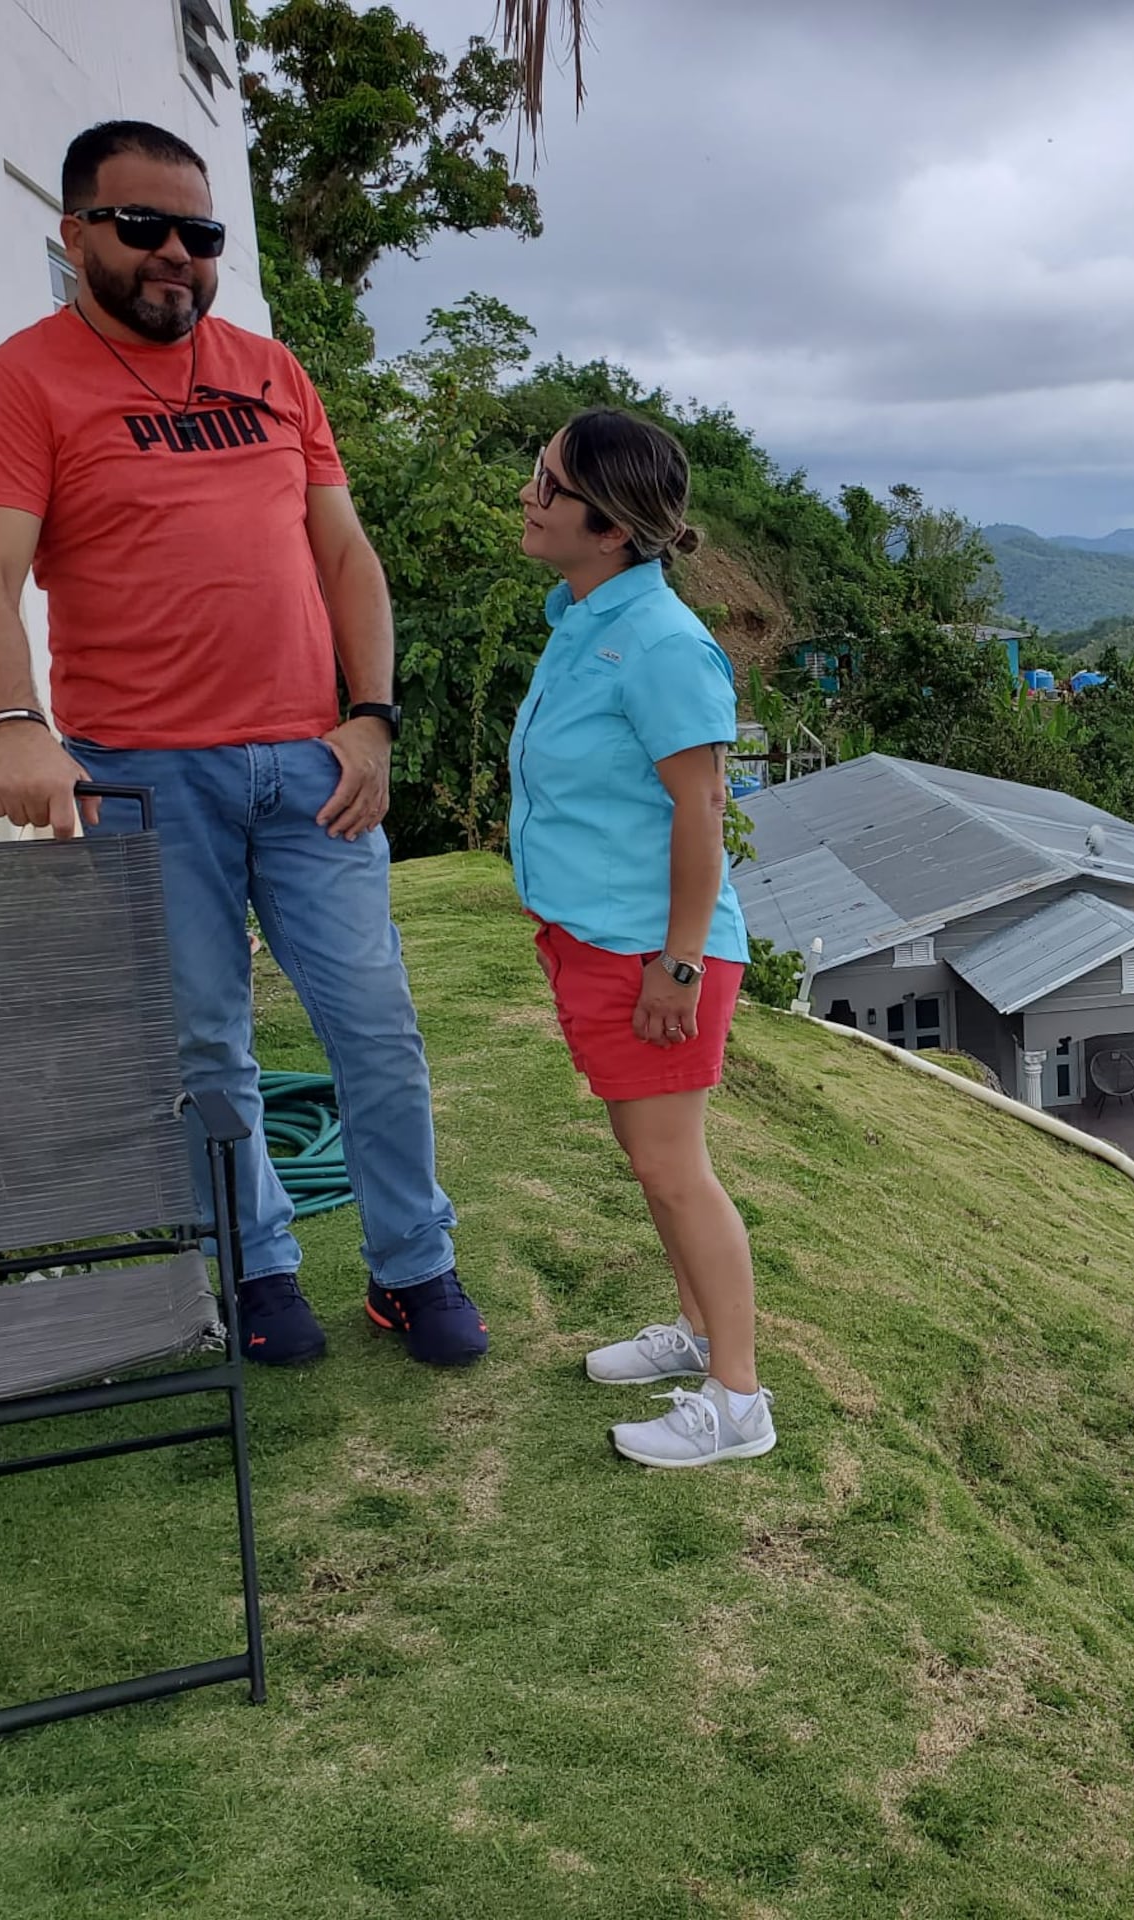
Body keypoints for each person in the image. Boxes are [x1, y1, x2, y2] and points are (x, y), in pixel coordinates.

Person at [0, 120, 486, 1368]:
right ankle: (255, 1267)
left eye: (200, 233)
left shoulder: (271, 369)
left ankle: (412, 1265)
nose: (174, 255)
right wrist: (14, 724)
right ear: (75, 233)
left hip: (312, 767)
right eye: (142, 228)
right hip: (138, 775)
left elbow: (342, 553)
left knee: (377, 1027)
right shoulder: (25, 380)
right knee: (200, 1041)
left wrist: (373, 716)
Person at [510, 408, 768, 1467]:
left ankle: (737, 1398)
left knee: (674, 1169)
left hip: (652, 949)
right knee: (648, 1158)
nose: (528, 496)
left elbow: (700, 810)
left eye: (547, 485)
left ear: (608, 525)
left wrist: (677, 963)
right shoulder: (582, 614)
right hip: (596, 934)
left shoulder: (662, 646)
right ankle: (698, 1333)